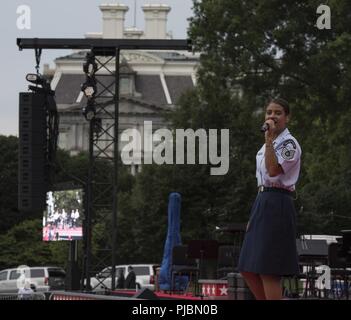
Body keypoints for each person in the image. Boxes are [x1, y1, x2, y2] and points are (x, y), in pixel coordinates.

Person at [237, 98, 301, 300]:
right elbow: (262, 180)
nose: (272, 116)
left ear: (287, 118)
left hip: (278, 202)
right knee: (247, 267)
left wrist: (269, 140)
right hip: (263, 200)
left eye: (278, 112)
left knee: (268, 269)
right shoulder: (268, 145)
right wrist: (254, 214)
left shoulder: (289, 144)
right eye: (269, 112)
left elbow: (273, 171)